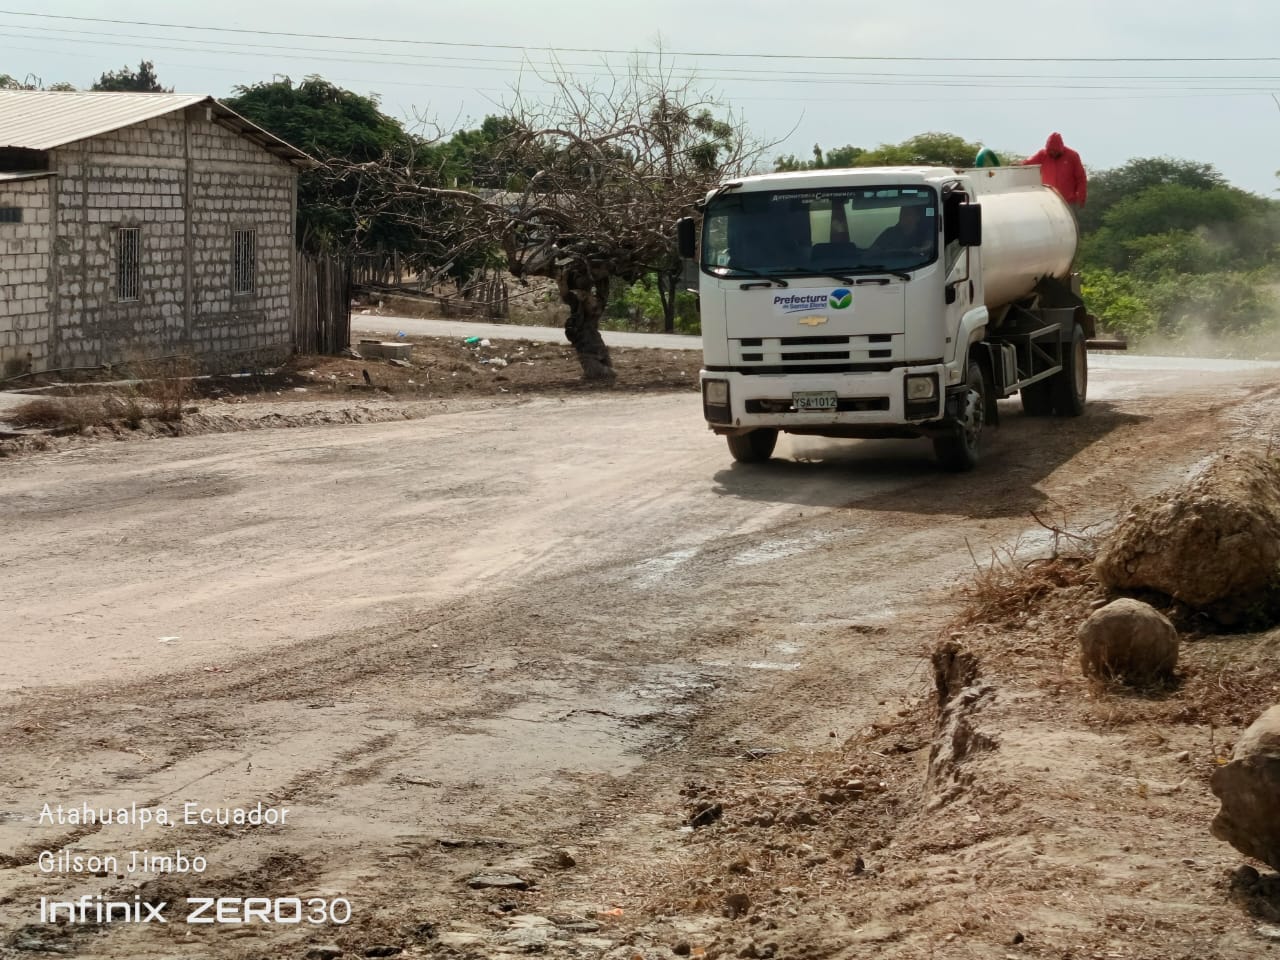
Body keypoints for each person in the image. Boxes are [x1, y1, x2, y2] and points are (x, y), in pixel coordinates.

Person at [1023, 132, 1087, 208]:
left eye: (1055, 151)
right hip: (1049, 200)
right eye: (1050, 151)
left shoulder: (1072, 156)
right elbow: (1028, 162)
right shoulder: (1042, 154)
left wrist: (1081, 198)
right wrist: (1019, 164)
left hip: (1068, 202)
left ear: (1060, 148)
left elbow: (1081, 178)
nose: (1052, 153)